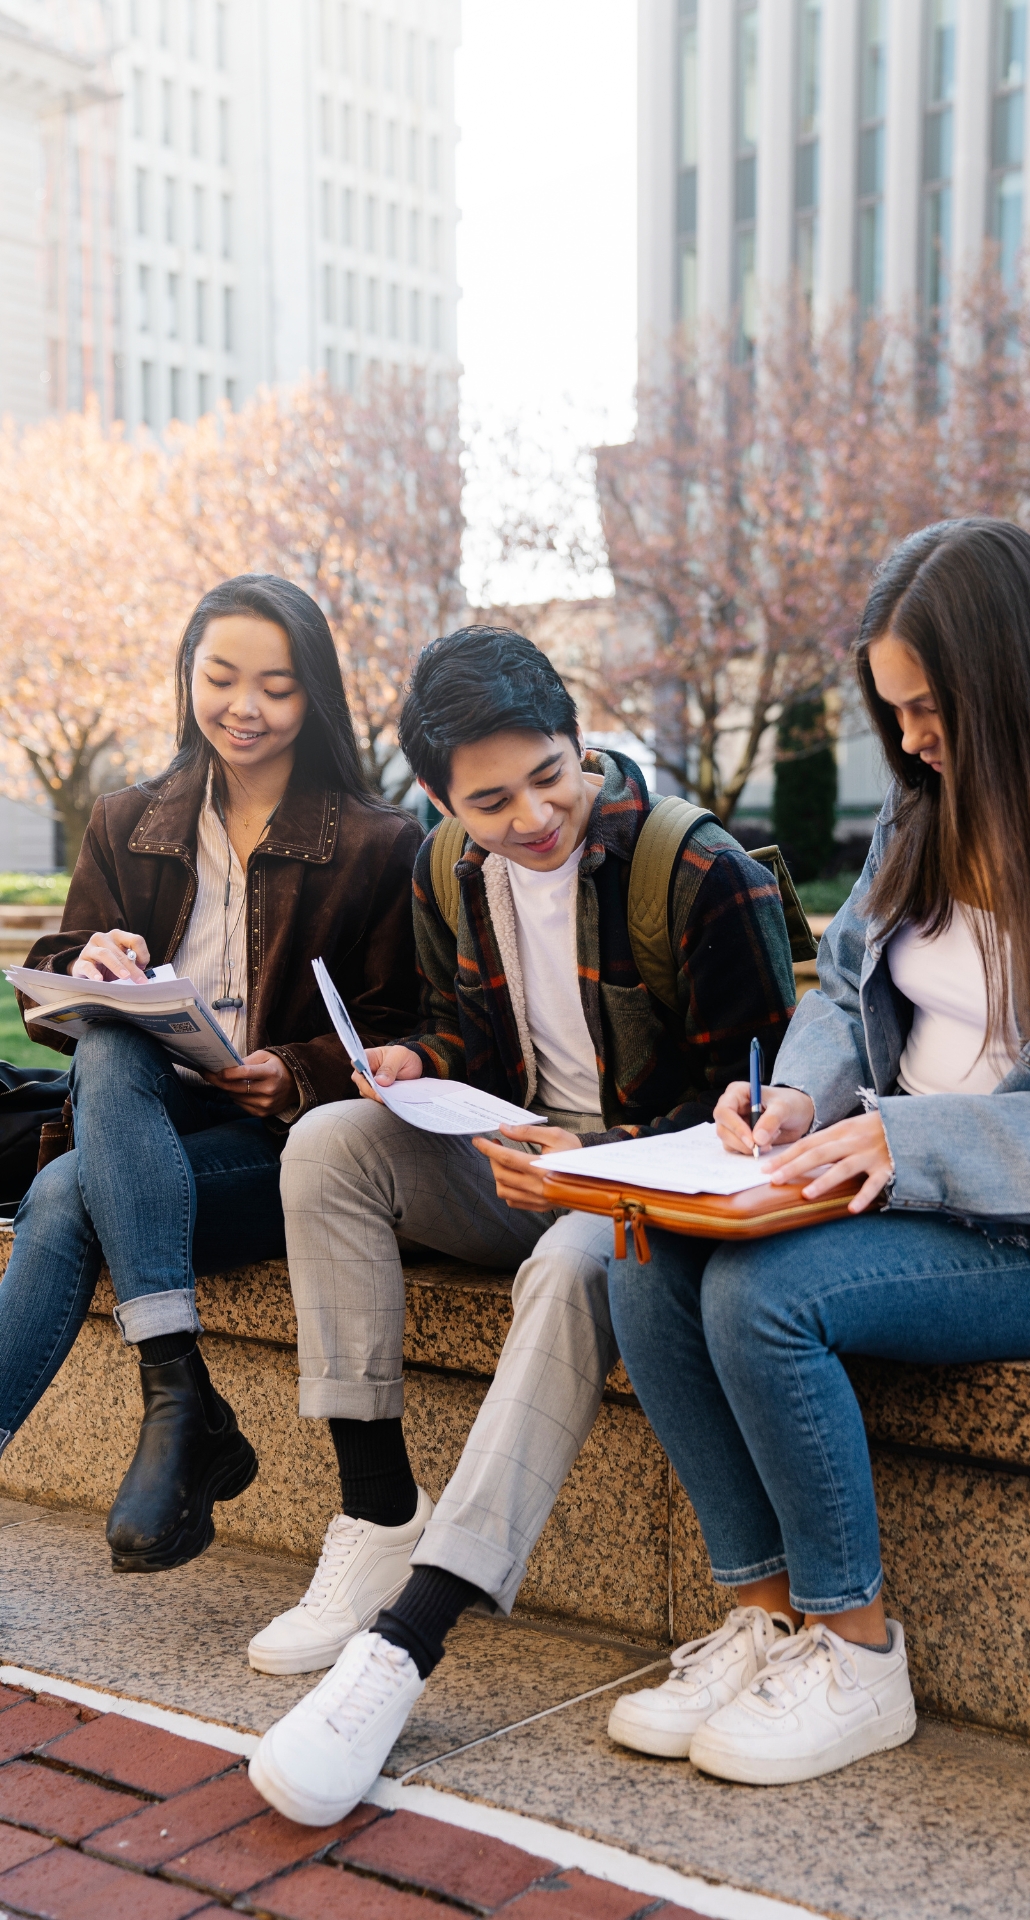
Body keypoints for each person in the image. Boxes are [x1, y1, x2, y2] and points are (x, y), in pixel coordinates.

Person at [245, 625, 797, 1826]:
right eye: (489, 800)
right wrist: (414, 1061)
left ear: (578, 735)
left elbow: (758, 1109)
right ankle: (380, 1511)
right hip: (512, 1164)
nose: (535, 816)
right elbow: (467, 1038)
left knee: (563, 1260)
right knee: (328, 1142)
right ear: (441, 799)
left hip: (644, 1195)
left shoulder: (696, 871)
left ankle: (405, 1643)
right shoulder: (448, 870)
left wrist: (589, 1161)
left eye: (551, 775)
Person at [603, 517, 1030, 1787]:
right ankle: (764, 1622)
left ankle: (857, 1654)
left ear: (1020, 675)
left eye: (934, 708)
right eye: (897, 713)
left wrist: (905, 1141)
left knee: (765, 1296)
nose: (913, 741)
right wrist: (803, 1106)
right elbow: (841, 991)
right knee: (642, 1262)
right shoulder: (922, 814)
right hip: (892, 1174)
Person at [1, 575, 421, 1573]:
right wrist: (85, 967)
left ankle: (183, 1409)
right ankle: (180, 1392)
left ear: (316, 695)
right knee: (109, 1037)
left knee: (64, 1193)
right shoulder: (128, 820)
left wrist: (302, 1072)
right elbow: (52, 992)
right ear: (186, 675)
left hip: (286, 1151)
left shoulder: (377, 841)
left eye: (277, 686)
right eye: (221, 677)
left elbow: (413, 1025)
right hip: (145, 1117)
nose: (246, 707)